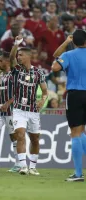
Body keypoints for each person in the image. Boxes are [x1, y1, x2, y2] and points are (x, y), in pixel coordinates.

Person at [10, 37, 48, 175]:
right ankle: (23, 166)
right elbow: (11, 59)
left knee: (35, 139)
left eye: (21, 55)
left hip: (33, 111)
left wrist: (43, 100)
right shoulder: (17, 70)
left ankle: (32, 166)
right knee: (20, 135)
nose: (18, 57)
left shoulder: (38, 73)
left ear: (28, 56)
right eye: (18, 55)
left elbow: (45, 91)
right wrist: (16, 45)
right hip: (19, 109)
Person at [51, 29, 86, 182]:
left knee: (75, 133)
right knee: (82, 131)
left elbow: (55, 67)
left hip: (75, 94)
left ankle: (78, 174)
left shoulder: (69, 55)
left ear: (73, 41)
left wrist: (66, 43)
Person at [0, 51, 19, 172]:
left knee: (14, 137)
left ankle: (19, 163)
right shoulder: (1, 75)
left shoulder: (13, 75)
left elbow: (19, 92)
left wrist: (8, 103)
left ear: (7, 61)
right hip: (0, 111)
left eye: (1, 61)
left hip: (11, 111)